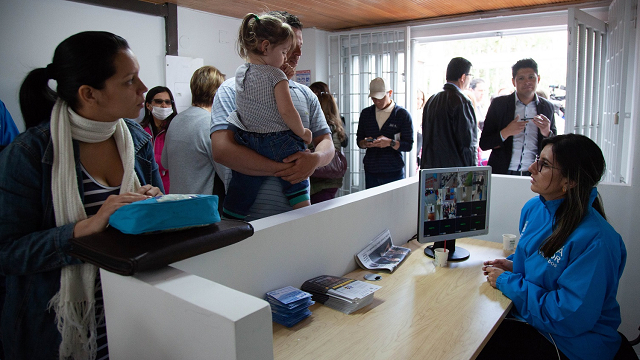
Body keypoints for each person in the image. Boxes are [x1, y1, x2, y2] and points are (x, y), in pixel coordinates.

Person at [0, 31, 163, 360]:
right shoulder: (29, 154)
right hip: (57, 327)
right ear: (90, 93)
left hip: (135, 312)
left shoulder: (138, 141)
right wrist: (83, 230)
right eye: (130, 80)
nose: (144, 89)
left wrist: (157, 204)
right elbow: (7, 252)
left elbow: (158, 223)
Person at [480, 134, 626, 360]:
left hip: (569, 343)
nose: (531, 167)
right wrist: (514, 267)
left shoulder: (598, 240)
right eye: (538, 159)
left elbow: (567, 316)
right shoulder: (534, 209)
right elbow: (547, 271)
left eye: (544, 165)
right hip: (534, 322)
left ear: (570, 181)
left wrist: (507, 281)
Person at [210, 11, 333, 221]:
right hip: (248, 221)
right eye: (288, 46)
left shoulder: (306, 94)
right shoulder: (233, 89)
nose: (295, 52)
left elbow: (327, 143)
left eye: (299, 45)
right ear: (265, 45)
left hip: (296, 219)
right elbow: (222, 150)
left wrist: (314, 159)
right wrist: (284, 169)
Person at [479, 58, 557, 176]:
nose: (527, 82)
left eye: (531, 77)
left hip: (535, 174)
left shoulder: (547, 107)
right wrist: (506, 132)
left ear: (538, 79)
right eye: (521, 78)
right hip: (503, 172)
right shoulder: (499, 104)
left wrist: (547, 132)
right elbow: (484, 144)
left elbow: (556, 147)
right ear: (513, 82)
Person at [162, 66, 225, 195]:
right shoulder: (211, 124)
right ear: (218, 92)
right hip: (201, 207)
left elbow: (165, 163)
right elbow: (227, 174)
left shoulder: (175, 120)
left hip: (177, 205)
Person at [356, 77, 413, 189]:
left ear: (390, 93)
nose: (377, 101)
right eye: (373, 98)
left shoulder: (402, 115)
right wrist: (365, 143)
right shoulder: (366, 114)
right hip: (371, 170)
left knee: (395, 205)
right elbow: (359, 141)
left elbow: (408, 145)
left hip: (394, 171)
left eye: (380, 98)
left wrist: (390, 143)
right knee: (373, 205)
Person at [421, 57, 477, 168]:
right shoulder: (462, 101)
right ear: (463, 77)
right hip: (454, 170)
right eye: (470, 76)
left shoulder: (431, 100)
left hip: (431, 168)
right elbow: (467, 143)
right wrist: (472, 169)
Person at [308, 81, 348, 203]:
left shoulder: (315, 123)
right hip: (331, 179)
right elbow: (344, 142)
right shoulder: (337, 120)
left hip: (316, 177)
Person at [140, 86, 177, 192]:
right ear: (148, 105)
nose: (164, 105)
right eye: (159, 101)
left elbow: (172, 161)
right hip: (146, 187)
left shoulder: (175, 129)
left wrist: (150, 158)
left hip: (170, 188)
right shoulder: (141, 131)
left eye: (168, 102)